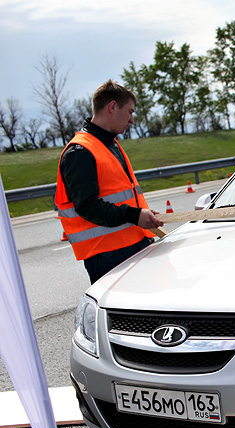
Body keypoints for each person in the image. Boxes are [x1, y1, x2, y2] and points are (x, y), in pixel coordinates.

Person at [55, 80, 163, 284]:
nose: (132, 120)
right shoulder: (80, 152)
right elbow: (87, 206)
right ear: (112, 107)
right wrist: (135, 215)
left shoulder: (109, 144)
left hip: (132, 244)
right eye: (130, 112)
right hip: (108, 255)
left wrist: (140, 216)